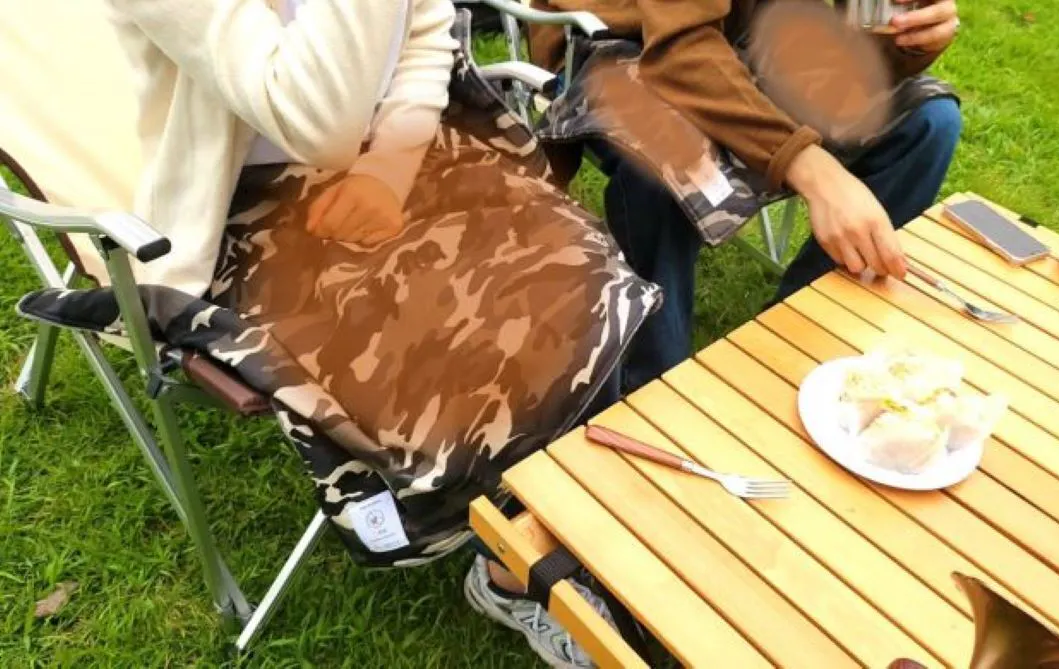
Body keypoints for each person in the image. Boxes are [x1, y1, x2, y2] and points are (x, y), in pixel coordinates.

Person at [99, 1, 656, 665]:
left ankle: (575, 522)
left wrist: (389, 168)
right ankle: (512, 570)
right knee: (455, 341)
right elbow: (316, 123)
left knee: (578, 270)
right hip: (259, 211)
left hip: (402, 152)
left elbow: (427, 28)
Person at [530, 0, 964, 394]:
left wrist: (911, 39)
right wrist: (812, 168)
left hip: (745, 39)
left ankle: (795, 333)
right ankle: (651, 386)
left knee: (927, 120)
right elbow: (680, 50)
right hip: (615, 39)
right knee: (667, 163)